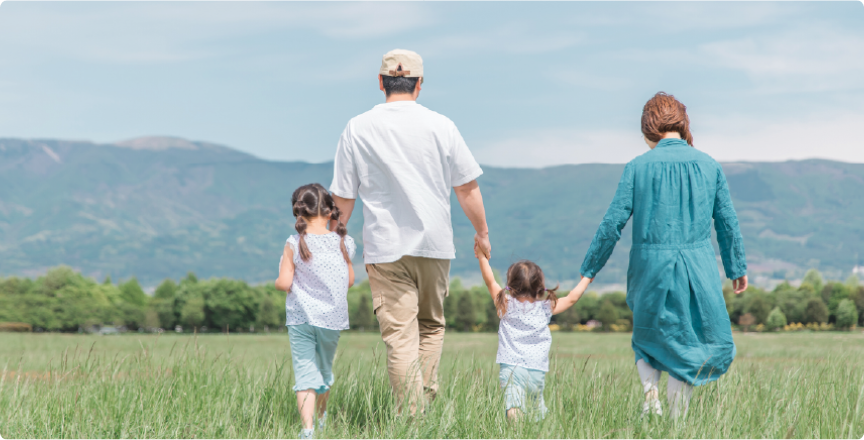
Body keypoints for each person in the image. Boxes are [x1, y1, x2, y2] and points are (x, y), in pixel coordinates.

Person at [329, 49, 491, 414]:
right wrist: (481, 232)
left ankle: (411, 420)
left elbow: (343, 197)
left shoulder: (357, 127)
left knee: (400, 339)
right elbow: (467, 188)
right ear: (419, 84)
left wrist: (334, 241)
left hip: (385, 249)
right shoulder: (442, 125)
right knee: (431, 327)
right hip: (435, 245)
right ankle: (423, 413)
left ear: (381, 83)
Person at [580, 92, 748, 419]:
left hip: (648, 265)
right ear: (683, 124)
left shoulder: (636, 167)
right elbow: (727, 221)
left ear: (648, 129)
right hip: (696, 266)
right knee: (686, 341)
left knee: (646, 336)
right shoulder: (709, 165)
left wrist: (589, 270)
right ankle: (676, 421)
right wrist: (736, 266)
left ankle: (650, 396)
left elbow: (612, 223)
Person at [275, 183, 356, 439]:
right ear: (331, 211)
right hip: (332, 321)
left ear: (298, 212)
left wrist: (277, 281)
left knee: (305, 374)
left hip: (300, 320)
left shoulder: (294, 243)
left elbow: (285, 282)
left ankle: (307, 431)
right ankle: (322, 420)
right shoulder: (344, 242)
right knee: (324, 371)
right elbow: (350, 280)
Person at [476, 253, 592, 420]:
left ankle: (516, 432)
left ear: (511, 284)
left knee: (514, 406)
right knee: (535, 407)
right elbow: (572, 298)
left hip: (511, 367)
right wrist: (586, 279)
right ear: (539, 286)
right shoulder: (545, 307)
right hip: (537, 368)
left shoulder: (505, 304)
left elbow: (490, 281)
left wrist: (482, 257)